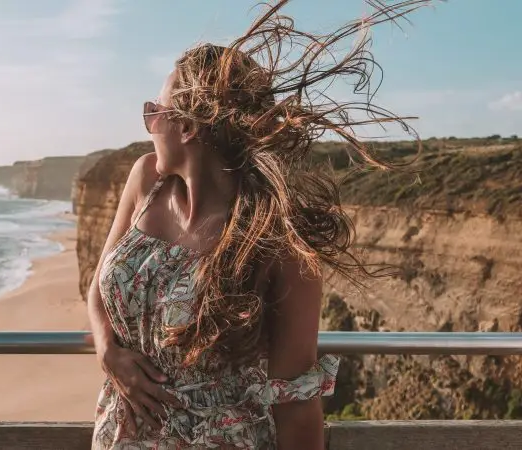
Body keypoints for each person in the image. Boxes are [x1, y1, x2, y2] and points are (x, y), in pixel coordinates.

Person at [88, 1, 429, 448]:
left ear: (188, 126)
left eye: (155, 111)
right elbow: (98, 286)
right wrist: (107, 352)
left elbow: (296, 400)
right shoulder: (146, 178)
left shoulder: (275, 239)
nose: (149, 124)